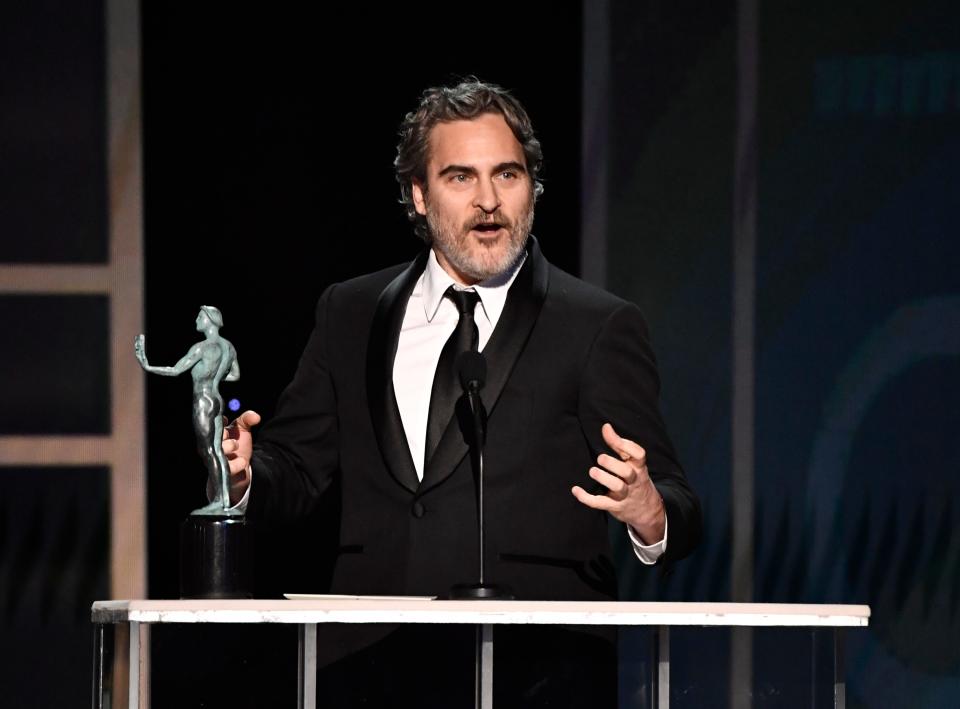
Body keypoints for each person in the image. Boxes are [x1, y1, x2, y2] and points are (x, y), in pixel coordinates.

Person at [222, 79, 701, 706]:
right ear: (418, 196)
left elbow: (677, 504)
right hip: (368, 665)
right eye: (460, 178)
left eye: (507, 175)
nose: (488, 202)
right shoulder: (351, 312)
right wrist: (243, 473)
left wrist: (647, 511)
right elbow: (299, 467)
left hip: (540, 674)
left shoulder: (596, 325)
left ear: (532, 185)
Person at [136, 305, 240, 515]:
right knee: (217, 450)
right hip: (217, 398)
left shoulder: (201, 348)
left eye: (200, 316)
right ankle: (226, 500)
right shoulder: (229, 347)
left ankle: (219, 500)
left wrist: (147, 366)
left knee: (207, 450)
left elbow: (175, 370)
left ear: (210, 320)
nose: (196, 320)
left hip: (203, 399)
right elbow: (235, 375)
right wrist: (216, 379)